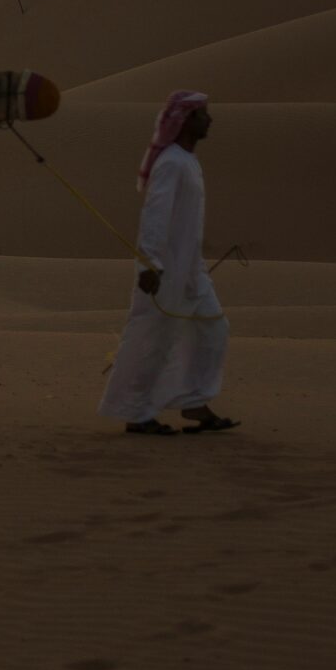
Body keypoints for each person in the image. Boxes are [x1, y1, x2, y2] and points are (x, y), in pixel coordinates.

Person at [99, 89, 237, 436]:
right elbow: (155, 216)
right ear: (187, 120)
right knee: (152, 339)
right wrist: (149, 264)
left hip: (190, 270)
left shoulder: (188, 161)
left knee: (213, 327)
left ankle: (192, 402)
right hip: (163, 271)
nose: (210, 119)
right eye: (203, 114)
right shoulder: (172, 162)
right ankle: (136, 413)